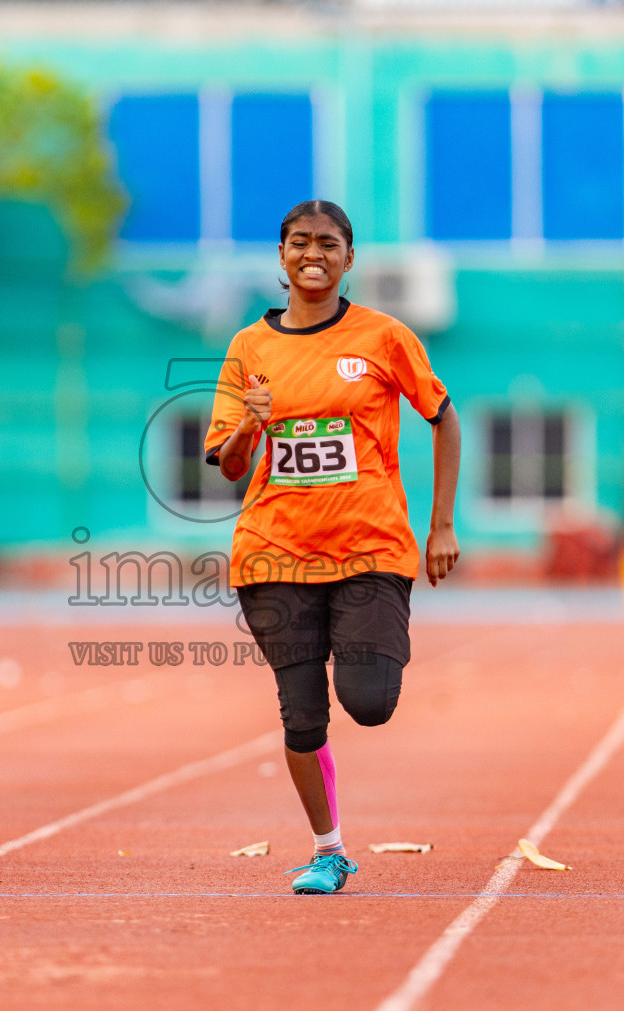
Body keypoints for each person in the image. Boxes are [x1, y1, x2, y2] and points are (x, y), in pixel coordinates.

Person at [205, 200, 461, 894]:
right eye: (297, 242)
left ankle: (367, 663)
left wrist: (441, 524)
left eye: (326, 243)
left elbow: (443, 418)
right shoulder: (248, 348)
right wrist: (247, 428)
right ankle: (328, 849)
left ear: (349, 258)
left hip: (370, 547)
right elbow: (228, 465)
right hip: (271, 552)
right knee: (301, 710)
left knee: (370, 700)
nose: (311, 253)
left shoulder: (384, 338)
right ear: (281, 256)